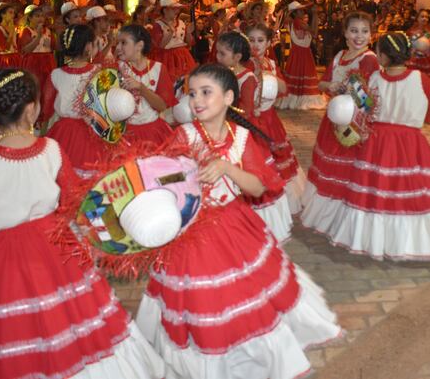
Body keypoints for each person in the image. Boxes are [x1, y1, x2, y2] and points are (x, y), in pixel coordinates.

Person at [0, 68, 162, 379]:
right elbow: (75, 200)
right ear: (33, 108)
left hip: (3, 256)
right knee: (66, 317)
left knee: (14, 325)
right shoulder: (51, 149)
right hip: (54, 247)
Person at [135, 64, 342, 379]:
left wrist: (227, 167)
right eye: (192, 94)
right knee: (201, 300)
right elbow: (165, 177)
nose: (197, 101)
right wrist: (188, 174)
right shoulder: (184, 134)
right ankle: (206, 362)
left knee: (242, 297)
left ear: (228, 97)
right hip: (191, 229)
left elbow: (258, 187)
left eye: (206, 92)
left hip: (235, 227)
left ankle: (247, 356)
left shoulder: (243, 137)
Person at [302, 33, 430, 259]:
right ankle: (411, 242)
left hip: (376, 142)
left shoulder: (373, 79)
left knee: (375, 190)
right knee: (411, 189)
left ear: (382, 55)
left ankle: (375, 239)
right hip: (411, 142)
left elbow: (360, 110)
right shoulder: (420, 79)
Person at [215, 31, 293, 241]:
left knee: (247, 173)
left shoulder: (246, 78)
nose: (218, 57)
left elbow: (246, 110)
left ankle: (254, 224)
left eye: (222, 54)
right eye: (217, 53)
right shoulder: (222, 74)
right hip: (225, 129)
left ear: (237, 57)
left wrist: (222, 110)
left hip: (244, 132)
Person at [300, 12, 379, 216]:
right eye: (353, 31)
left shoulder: (369, 59)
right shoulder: (339, 56)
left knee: (350, 167)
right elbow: (321, 83)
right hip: (333, 120)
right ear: (345, 32)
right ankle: (330, 210)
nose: (359, 36)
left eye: (364, 31)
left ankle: (349, 210)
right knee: (330, 166)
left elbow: (368, 100)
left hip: (355, 123)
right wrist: (332, 85)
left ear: (371, 34)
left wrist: (349, 89)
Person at [248, 23, 305, 212]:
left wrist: (266, 75)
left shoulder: (271, 64)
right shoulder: (241, 63)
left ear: (268, 43)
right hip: (249, 119)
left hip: (270, 118)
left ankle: (277, 200)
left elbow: (283, 89)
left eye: (260, 40)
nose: (256, 45)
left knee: (276, 157)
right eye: (251, 40)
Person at [41, 25, 111, 173]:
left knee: (62, 174)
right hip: (94, 130)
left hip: (62, 134)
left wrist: (40, 137)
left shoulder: (55, 74)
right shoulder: (99, 71)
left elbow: (45, 112)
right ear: (88, 46)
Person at [116, 24, 177, 144]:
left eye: (123, 43)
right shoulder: (116, 69)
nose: (117, 47)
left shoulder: (158, 68)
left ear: (139, 46)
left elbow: (163, 106)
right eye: (117, 43)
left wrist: (141, 88)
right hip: (124, 134)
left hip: (153, 133)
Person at [278, 1, 326, 110]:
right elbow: (314, 32)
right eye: (300, 10)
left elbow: (313, 33)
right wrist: (314, 14)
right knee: (302, 75)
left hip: (300, 52)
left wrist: (314, 15)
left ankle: (296, 99)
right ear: (295, 13)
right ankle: (299, 100)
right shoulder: (297, 22)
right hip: (301, 53)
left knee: (298, 75)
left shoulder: (295, 21)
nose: (303, 11)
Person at [149, 0, 196, 79]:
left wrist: (188, 33)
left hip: (182, 57)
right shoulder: (158, 25)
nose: (177, 11)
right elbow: (160, 46)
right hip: (166, 58)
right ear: (165, 10)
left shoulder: (181, 23)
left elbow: (189, 43)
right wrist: (170, 32)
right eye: (173, 9)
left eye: (177, 9)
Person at [19, 4, 56, 88]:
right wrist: (38, 36)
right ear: (30, 18)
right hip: (34, 62)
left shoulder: (48, 31)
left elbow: (55, 47)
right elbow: (26, 50)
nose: (41, 18)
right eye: (37, 16)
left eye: (42, 16)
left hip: (48, 61)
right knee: (35, 86)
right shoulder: (26, 31)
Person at [406, 9, 430, 81]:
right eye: (422, 16)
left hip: (427, 61)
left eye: (426, 17)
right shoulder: (411, 32)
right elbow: (408, 46)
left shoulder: (429, 32)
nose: (424, 19)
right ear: (417, 18)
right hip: (415, 61)